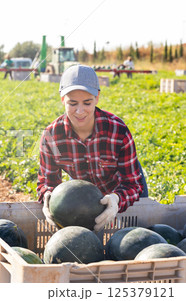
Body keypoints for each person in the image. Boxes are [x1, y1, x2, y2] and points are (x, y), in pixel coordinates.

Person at [37, 65, 146, 232]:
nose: (80, 111)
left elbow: (131, 183)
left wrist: (116, 200)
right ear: (62, 99)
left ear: (97, 97)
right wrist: (47, 197)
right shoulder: (51, 136)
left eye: (87, 102)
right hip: (84, 195)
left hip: (121, 189)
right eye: (72, 103)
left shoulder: (118, 130)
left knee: (134, 235)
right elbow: (48, 181)